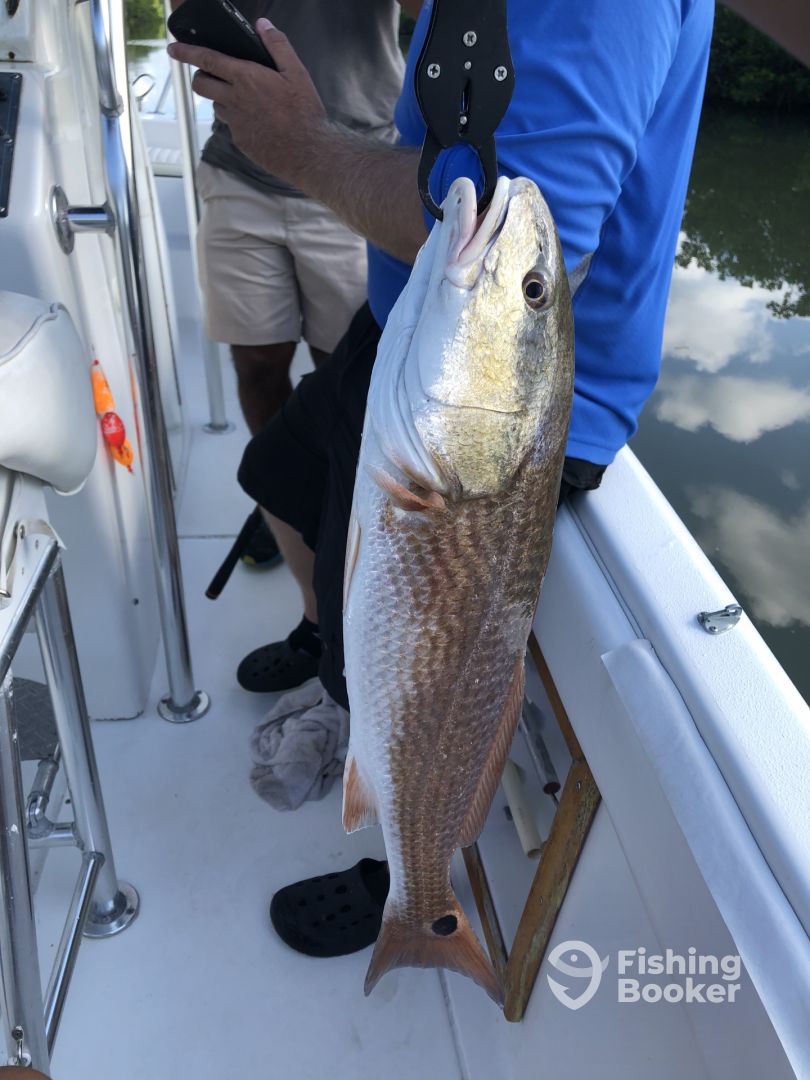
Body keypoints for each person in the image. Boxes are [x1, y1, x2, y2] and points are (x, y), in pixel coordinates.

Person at [169, 0, 714, 952]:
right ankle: (329, 646)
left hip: (492, 416)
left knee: (410, 649)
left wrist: (304, 146)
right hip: (419, 342)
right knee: (278, 474)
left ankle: (411, 879)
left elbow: (519, 229)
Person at [170, 0, 404, 573]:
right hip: (240, 162)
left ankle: (336, 509)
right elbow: (185, 13)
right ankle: (278, 504)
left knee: (344, 375)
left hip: (354, 166)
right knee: (256, 362)